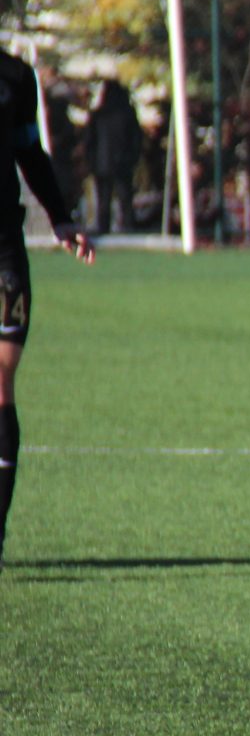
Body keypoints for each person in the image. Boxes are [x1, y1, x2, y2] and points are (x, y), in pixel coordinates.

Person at [0, 48, 95, 566]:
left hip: (3, 247)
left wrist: (60, 216)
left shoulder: (15, 76)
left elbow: (29, 151)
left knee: (1, 376)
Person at [83, 79, 142, 235]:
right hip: (123, 161)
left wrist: (90, 160)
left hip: (101, 162)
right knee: (125, 196)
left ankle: (103, 226)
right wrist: (133, 157)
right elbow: (136, 138)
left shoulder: (98, 115)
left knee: (103, 198)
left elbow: (89, 140)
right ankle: (128, 224)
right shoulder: (127, 113)